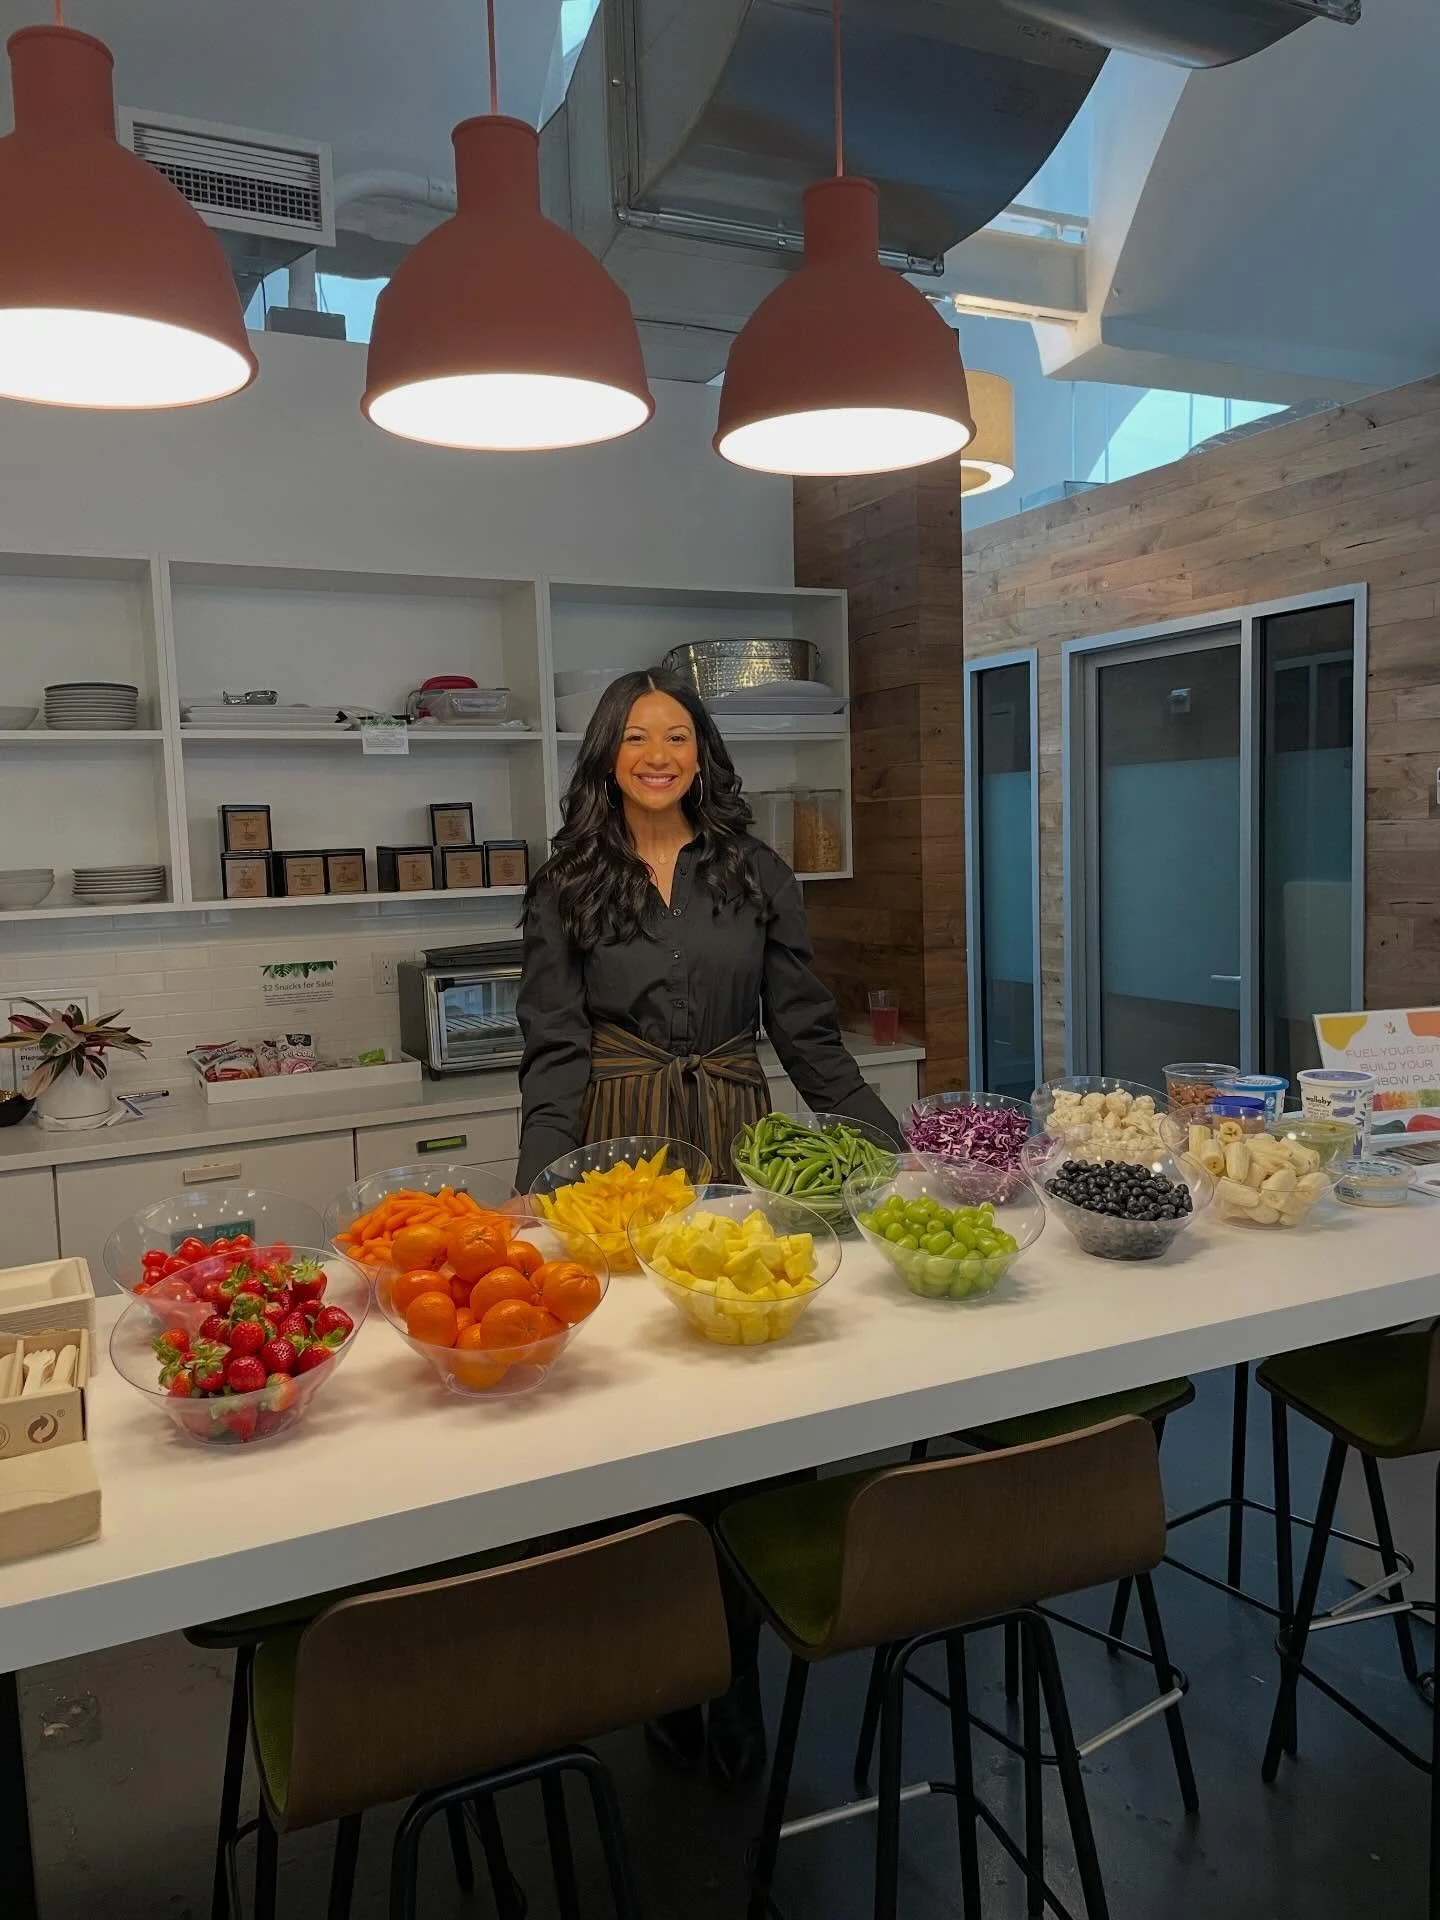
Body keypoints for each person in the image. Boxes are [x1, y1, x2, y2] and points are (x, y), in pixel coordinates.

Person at [515, 666, 901, 1784]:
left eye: (677, 735)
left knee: (748, 1387)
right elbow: (554, 1051)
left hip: (736, 1141)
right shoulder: (565, 883)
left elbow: (809, 1038)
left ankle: (736, 1662)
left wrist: (893, 1152)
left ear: (703, 754)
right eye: (637, 737)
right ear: (607, 756)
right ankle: (658, 1659)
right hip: (618, 1156)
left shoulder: (757, 872)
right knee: (641, 1403)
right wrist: (539, 1190)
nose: (658, 754)